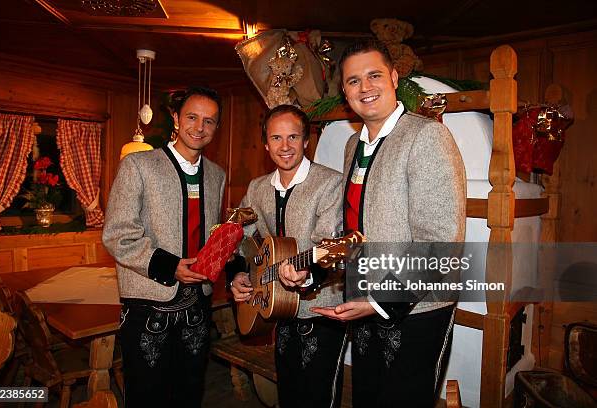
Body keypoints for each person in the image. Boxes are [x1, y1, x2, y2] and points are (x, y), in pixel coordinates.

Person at [312, 40, 466, 407]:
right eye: (353, 81)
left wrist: (380, 301)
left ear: (395, 78)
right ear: (344, 93)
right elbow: (352, 228)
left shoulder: (427, 136)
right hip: (365, 299)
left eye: (374, 75)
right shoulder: (353, 145)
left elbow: (442, 241)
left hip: (417, 309)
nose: (365, 88)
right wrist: (313, 269)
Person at [103, 86, 225, 407]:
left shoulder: (217, 175)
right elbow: (117, 234)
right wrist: (171, 265)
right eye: (192, 117)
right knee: (147, 395)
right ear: (175, 117)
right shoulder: (138, 166)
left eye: (209, 121)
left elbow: (215, 233)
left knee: (190, 391)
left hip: (198, 305)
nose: (199, 128)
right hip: (148, 304)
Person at [230, 104, 347, 408]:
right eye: (276, 138)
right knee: (289, 395)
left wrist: (310, 273)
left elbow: (329, 244)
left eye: (293, 137)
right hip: (278, 310)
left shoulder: (330, 183)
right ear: (266, 143)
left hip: (321, 312)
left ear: (307, 141)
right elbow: (240, 238)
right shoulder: (257, 188)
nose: (285, 147)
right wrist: (241, 272)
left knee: (318, 398)